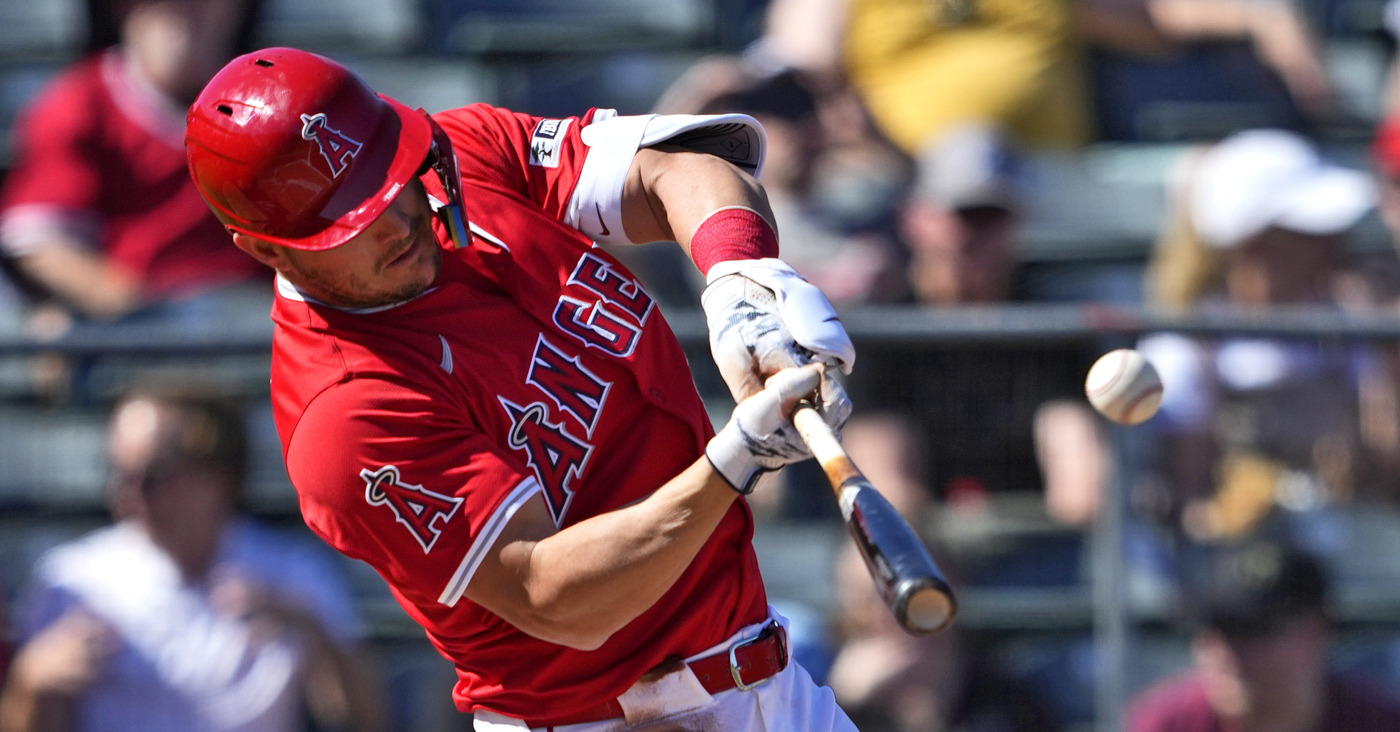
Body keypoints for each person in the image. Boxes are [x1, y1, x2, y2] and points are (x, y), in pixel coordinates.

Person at [182, 47, 860, 729]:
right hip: (600, 717)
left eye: (390, 180)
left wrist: (739, 279)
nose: (395, 220)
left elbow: (677, 167)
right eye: (351, 221)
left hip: (764, 676)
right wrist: (736, 459)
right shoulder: (344, 413)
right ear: (267, 248)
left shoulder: (462, 152)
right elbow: (558, 599)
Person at [0, 388, 385, 732]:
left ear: (217, 479)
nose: (127, 494)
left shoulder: (293, 572)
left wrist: (310, 632)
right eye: (120, 474)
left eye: (153, 476)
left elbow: (367, 721)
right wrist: (31, 683)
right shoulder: (71, 579)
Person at [845, 126, 1110, 532]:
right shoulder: (880, 330)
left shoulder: (1053, 325)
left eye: (991, 217)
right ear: (916, 219)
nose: (974, 235)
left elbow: (1081, 486)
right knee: (878, 547)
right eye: (961, 214)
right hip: (925, 543)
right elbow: (887, 490)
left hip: (1038, 544)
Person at [1137, 128, 1398, 540]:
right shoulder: (1186, 347)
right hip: (1241, 582)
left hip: (1350, 563)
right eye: (1307, 232)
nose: (1332, 245)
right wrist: (1230, 514)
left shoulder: (1350, 319)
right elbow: (1189, 505)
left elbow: (1386, 461)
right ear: (1253, 242)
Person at [0, 0, 269, 330]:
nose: (187, 11)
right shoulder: (80, 102)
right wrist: (153, 318)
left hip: (264, 328)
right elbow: (41, 245)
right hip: (138, 344)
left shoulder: (281, 101)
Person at [1126, 539, 1400, 732]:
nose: (1226, 652)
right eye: (1217, 631)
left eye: (1252, 632)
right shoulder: (1169, 724)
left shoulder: (1376, 722)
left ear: (1317, 631)